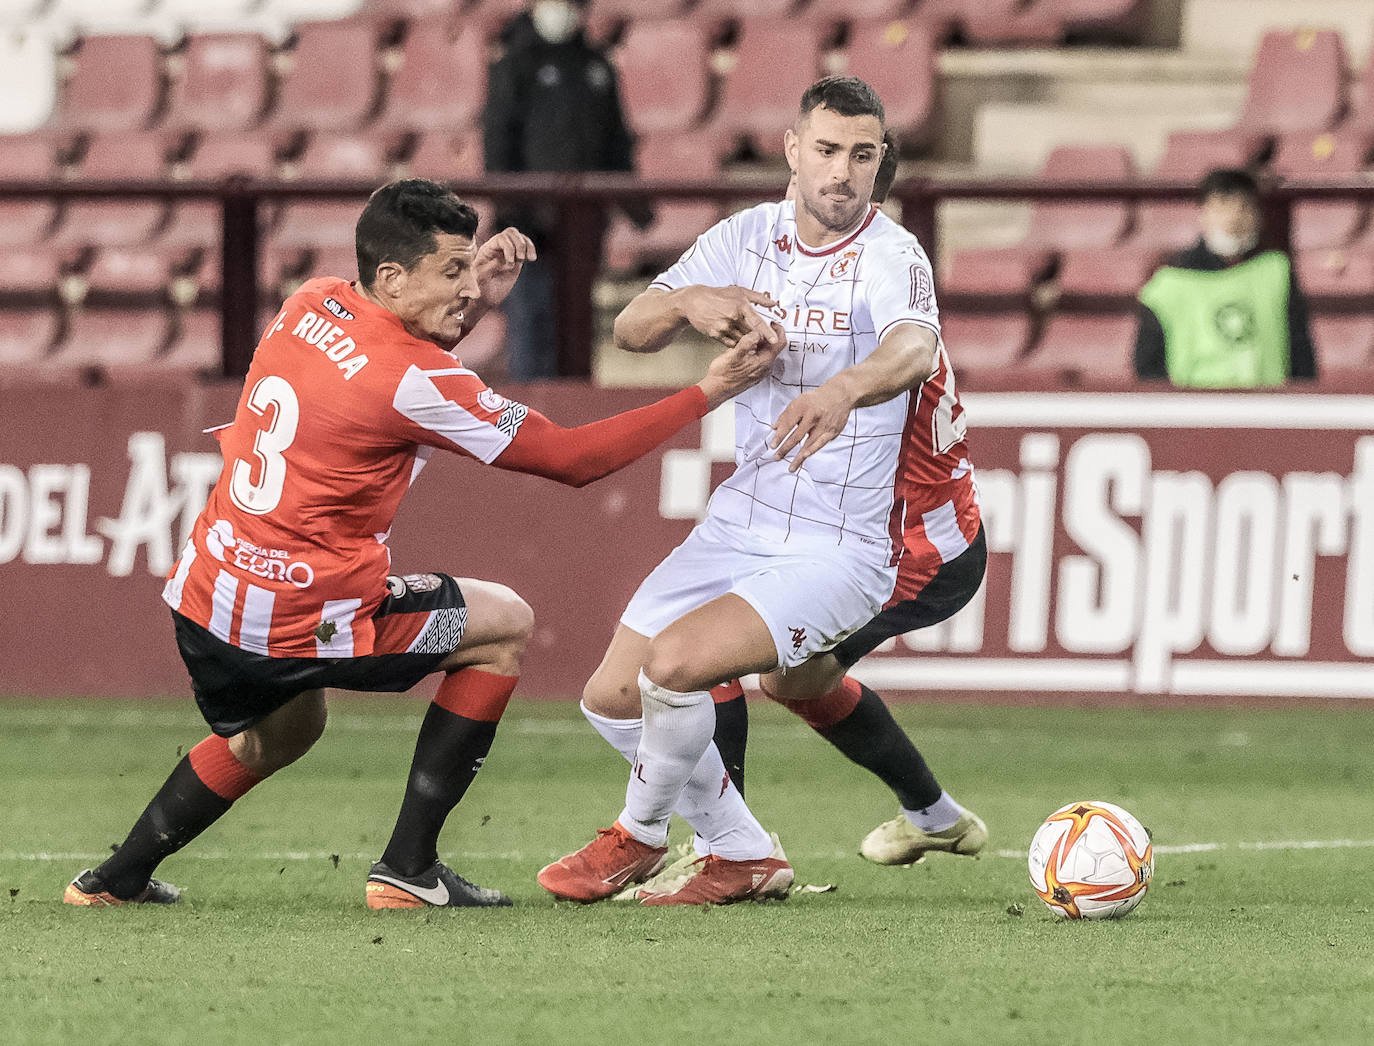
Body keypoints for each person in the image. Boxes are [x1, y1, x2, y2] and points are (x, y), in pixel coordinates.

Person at [63, 178, 780, 909]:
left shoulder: (309, 302)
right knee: (502, 625)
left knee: (283, 730)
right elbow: (571, 459)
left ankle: (113, 880)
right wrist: (708, 391)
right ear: (393, 277)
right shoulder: (414, 376)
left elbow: (381, 368)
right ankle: (409, 868)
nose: (469, 285)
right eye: (453, 272)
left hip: (207, 596)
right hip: (300, 612)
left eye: (470, 268)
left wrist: (471, 304)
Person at [537, 76, 959, 907]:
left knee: (676, 667)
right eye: (829, 150)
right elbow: (631, 328)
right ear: (793, 151)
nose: (843, 172)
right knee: (610, 699)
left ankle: (641, 834)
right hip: (742, 519)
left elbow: (913, 347)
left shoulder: (891, 254)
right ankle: (741, 849)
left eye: (863, 155)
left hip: (840, 544)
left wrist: (843, 390)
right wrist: (691, 300)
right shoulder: (745, 238)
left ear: (880, 164)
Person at [482, 0, 646, 380]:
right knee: (532, 321)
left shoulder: (596, 66)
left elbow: (616, 141)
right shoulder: (514, 64)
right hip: (527, 224)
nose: (563, 10)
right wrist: (513, 212)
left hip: (584, 223)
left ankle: (574, 414)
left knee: (577, 323)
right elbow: (498, 145)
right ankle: (526, 418)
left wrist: (638, 207)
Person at [1135, 167, 1317, 387]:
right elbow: (1148, 368)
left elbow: (1301, 349)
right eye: (1222, 206)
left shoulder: (1276, 271)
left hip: (1266, 409)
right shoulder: (1169, 284)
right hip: (1194, 411)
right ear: (1202, 214)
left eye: (1244, 207)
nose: (1234, 218)